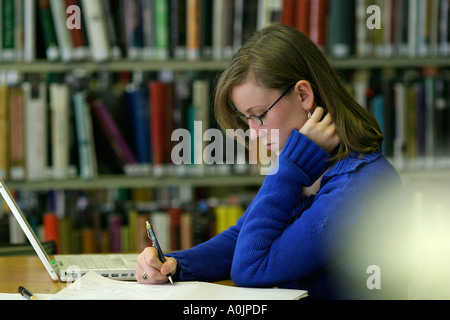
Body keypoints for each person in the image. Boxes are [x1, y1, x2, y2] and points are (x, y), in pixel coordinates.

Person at [135, 24, 410, 299]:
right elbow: (241, 239)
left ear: (303, 95)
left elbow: (251, 267)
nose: (254, 133)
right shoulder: (316, 164)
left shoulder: (355, 186)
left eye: (259, 115)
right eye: (247, 120)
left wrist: (289, 168)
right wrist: (172, 264)